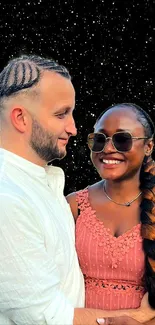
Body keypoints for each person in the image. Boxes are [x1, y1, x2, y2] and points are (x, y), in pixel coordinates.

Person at [0, 55, 154, 325]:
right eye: (61, 114)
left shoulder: (45, 186)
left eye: (123, 139)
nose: (73, 128)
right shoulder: (10, 200)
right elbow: (49, 317)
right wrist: (139, 316)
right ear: (20, 118)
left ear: (149, 146)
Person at [67, 103, 155, 324]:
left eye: (122, 139)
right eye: (99, 139)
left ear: (149, 147)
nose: (107, 149)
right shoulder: (74, 205)